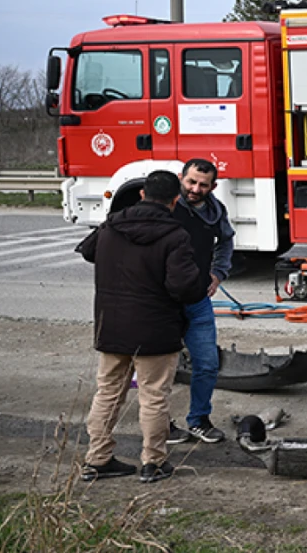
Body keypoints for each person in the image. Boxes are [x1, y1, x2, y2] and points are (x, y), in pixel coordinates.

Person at [77, 170, 203, 484]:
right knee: (154, 397)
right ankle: (154, 462)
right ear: (175, 201)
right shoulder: (175, 235)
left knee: (107, 393)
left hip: (111, 326)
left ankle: (97, 459)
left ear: (143, 195)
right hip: (155, 330)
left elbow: (88, 251)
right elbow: (184, 288)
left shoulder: (110, 225)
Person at [168, 159, 235, 444]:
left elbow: (227, 241)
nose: (195, 189)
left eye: (202, 185)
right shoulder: (167, 207)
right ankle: (161, 424)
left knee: (207, 364)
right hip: (164, 302)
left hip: (198, 300)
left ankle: (198, 420)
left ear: (213, 186)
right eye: (191, 182)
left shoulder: (215, 211)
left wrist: (218, 273)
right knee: (161, 369)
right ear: (180, 178)